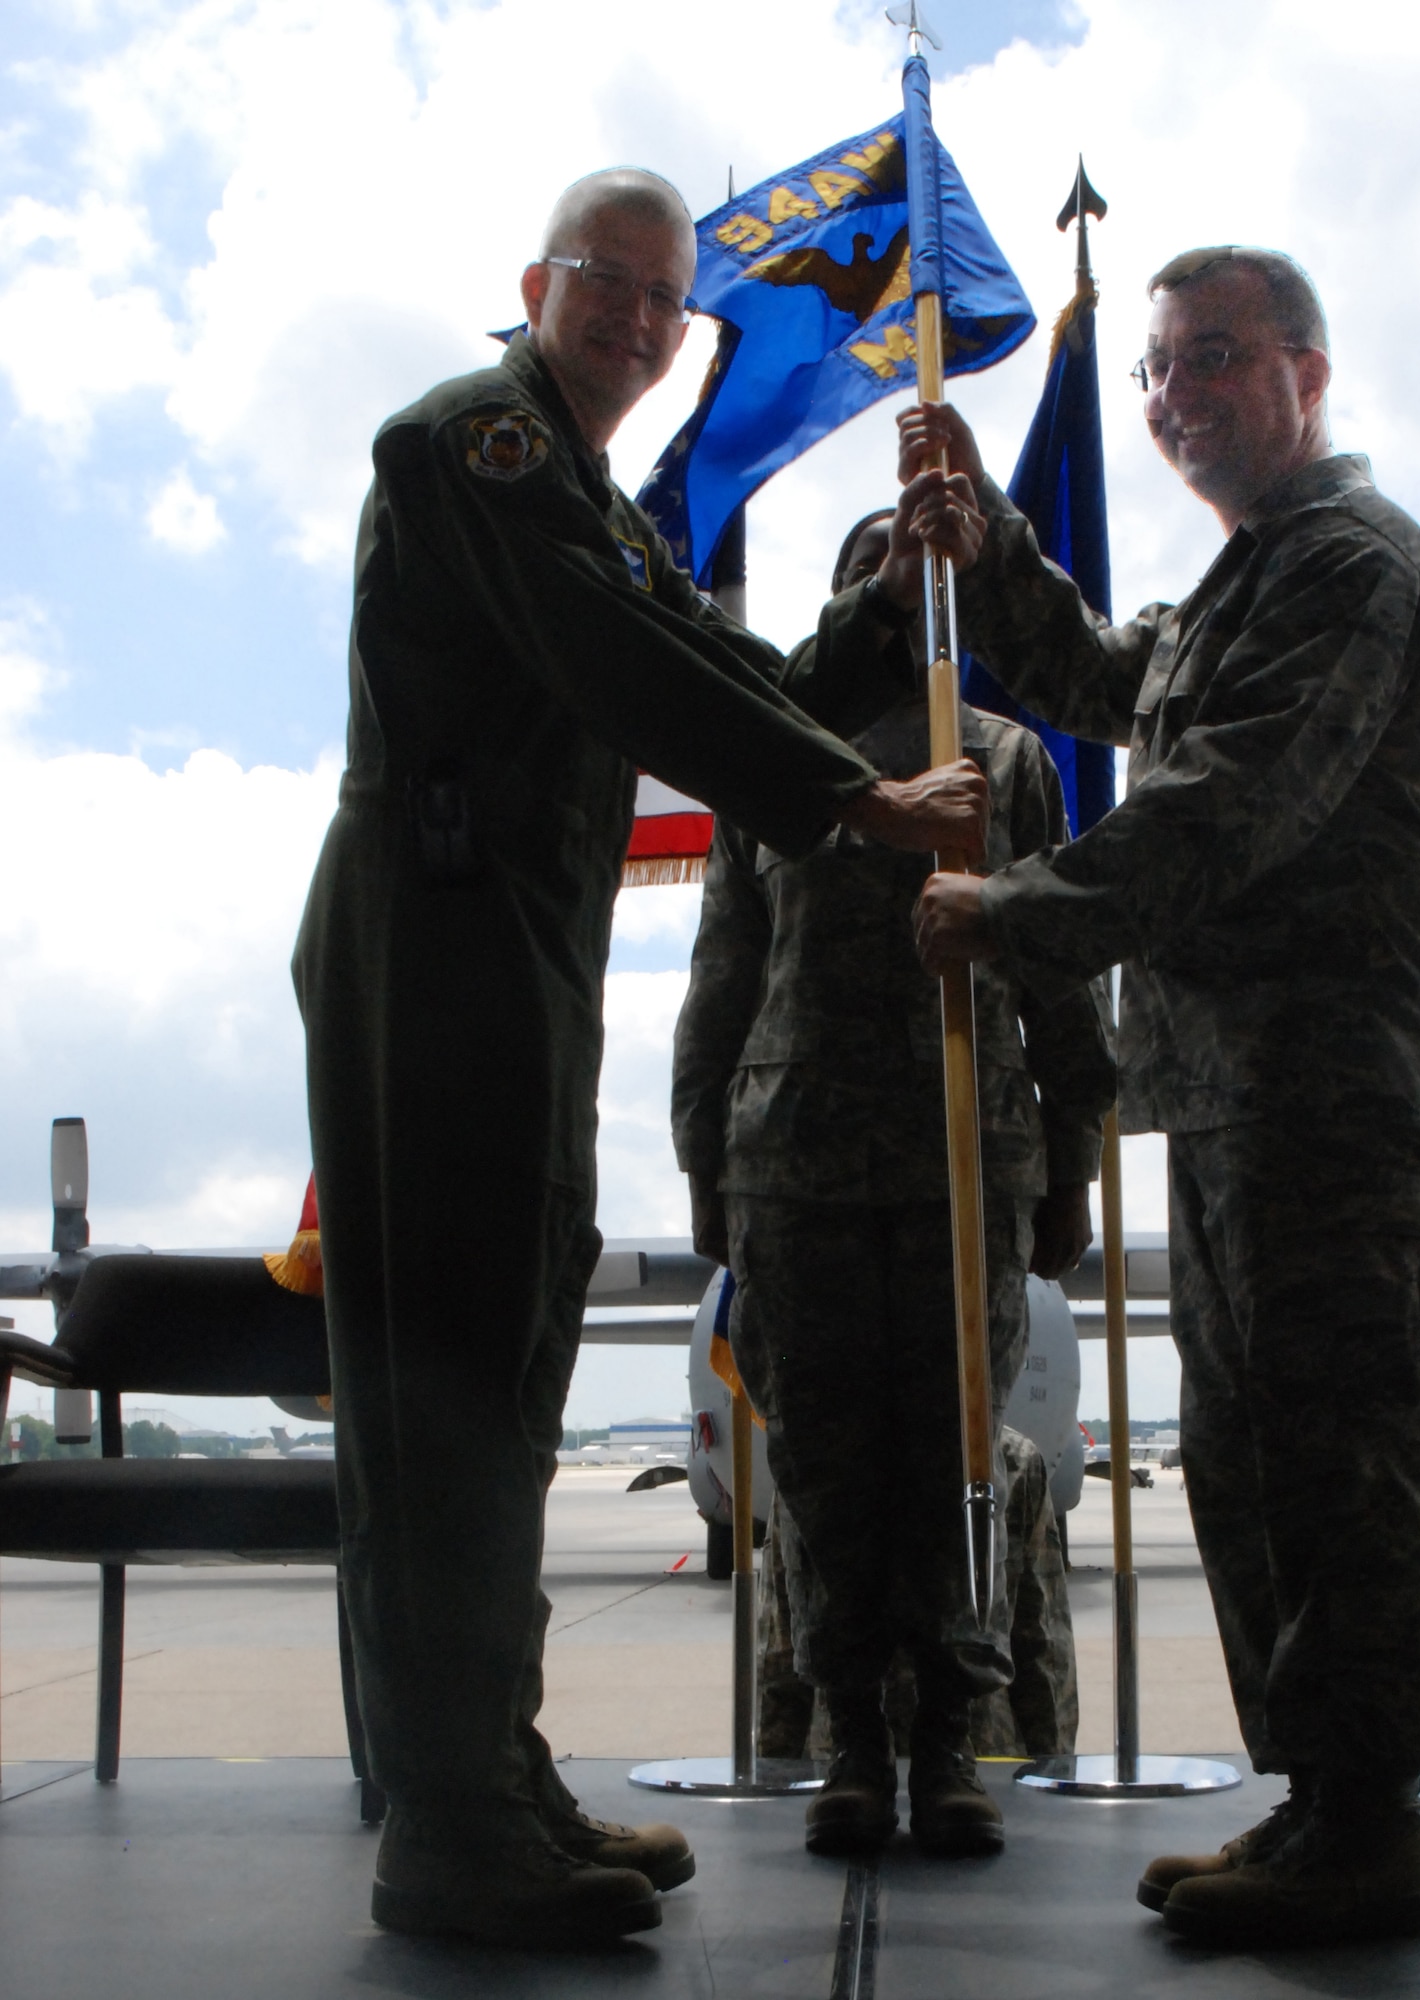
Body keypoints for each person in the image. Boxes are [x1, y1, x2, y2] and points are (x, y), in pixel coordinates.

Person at [291, 170, 988, 1949]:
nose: (632, 319)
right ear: (536, 283)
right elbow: (622, 656)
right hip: (431, 942)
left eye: (663, 301)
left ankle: (489, 1767)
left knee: (511, 1369)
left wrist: (883, 595)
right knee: (442, 1382)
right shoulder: (475, 447)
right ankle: (443, 1822)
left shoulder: (589, 503)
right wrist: (855, 800)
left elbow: (692, 650)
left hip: (510, 951)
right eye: (604, 282)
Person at [902, 246, 1420, 1946]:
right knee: (1249, 1460)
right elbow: (1100, 681)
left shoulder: (1346, 574)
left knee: (1341, 1458)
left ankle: (1369, 1823)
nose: (1170, 398)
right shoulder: (1241, 589)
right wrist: (984, 542)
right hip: (1239, 1095)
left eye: (1210, 360)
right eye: (1154, 372)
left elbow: (1215, 810)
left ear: (1309, 370)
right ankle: (1320, 1805)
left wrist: (1005, 913)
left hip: (1334, 1090)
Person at [672, 506, 1113, 1858]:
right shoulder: (774, 773)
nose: (896, 581)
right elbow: (723, 977)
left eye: (913, 566)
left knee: (959, 1466)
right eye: (870, 563)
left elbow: (1060, 978)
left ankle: (951, 1747)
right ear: (841, 597)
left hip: (964, 1164)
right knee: (823, 1471)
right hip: (794, 1167)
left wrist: (1071, 1168)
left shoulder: (1007, 766)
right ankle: (853, 1741)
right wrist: (705, 1165)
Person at [755, 1426, 1079, 1766]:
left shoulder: (813, 1460)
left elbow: (780, 1647)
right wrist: (1052, 1767)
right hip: (960, 1765)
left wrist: (773, 1771)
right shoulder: (1002, 1459)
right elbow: (1043, 1647)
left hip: (866, 1767)